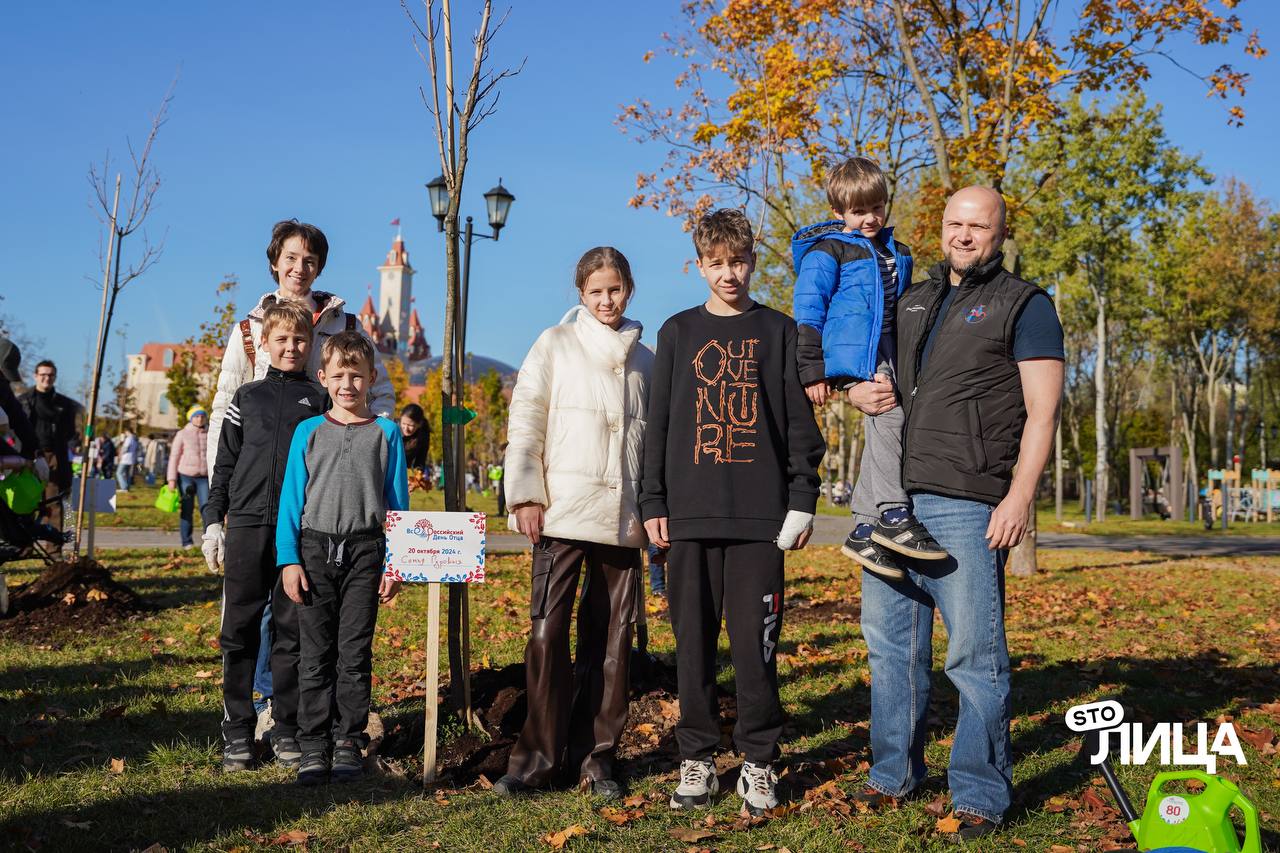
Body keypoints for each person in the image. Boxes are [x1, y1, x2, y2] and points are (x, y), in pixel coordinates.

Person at [852, 186, 1063, 841]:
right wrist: (856, 388)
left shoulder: (1025, 304)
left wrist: (1020, 495)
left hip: (969, 501)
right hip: (895, 503)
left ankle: (978, 791)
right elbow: (869, 367)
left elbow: (1044, 410)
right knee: (890, 647)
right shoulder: (911, 297)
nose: (965, 235)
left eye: (979, 225)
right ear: (940, 227)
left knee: (976, 653)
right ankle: (892, 773)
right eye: (955, 223)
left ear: (1001, 232)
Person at [639, 209, 826, 817]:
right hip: (688, 522)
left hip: (760, 524)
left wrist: (802, 499)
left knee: (755, 649)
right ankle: (696, 757)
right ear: (699, 265)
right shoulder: (677, 333)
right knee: (691, 647)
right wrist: (653, 501)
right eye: (716, 263)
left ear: (753, 260)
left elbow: (800, 425)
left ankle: (758, 763)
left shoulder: (779, 331)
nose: (729, 273)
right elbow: (658, 425)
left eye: (739, 261)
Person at [492, 246, 654, 801]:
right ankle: (535, 758)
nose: (606, 300)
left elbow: (653, 445)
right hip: (561, 510)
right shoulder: (554, 344)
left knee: (612, 639)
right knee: (546, 632)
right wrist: (525, 494)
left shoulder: (648, 360)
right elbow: (527, 416)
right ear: (580, 294)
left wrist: (655, 510)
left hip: (622, 518)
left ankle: (597, 757)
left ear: (628, 288)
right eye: (595, 292)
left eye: (615, 289)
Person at [792, 157, 946, 579]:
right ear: (839, 212)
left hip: (895, 349)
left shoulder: (900, 252)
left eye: (877, 207)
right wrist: (814, 370)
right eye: (859, 211)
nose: (870, 218)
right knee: (887, 415)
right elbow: (809, 310)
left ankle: (862, 527)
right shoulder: (829, 252)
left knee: (889, 423)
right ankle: (893, 514)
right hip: (857, 350)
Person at [276, 331, 408, 785]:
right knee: (315, 654)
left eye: (357, 375)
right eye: (338, 375)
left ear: (372, 377)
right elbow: (292, 501)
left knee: (354, 653)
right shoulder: (307, 432)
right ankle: (313, 744)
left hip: (366, 553)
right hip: (314, 551)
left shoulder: (386, 433)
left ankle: (348, 740)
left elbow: (397, 505)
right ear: (322, 378)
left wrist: (396, 564)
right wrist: (289, 559)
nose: (347, 384)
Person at [202, 302, 327, 773]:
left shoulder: (319, 402)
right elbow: (225, 463)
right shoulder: (246, 398)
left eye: (300, 341)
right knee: (239, 629)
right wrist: (214, 517)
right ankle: (237, 727)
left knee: (291, 631)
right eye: (282, 340)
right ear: (266, 345)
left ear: (311, 346)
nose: (292, 347)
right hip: (248, 526)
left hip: (298, 532)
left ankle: (285, 725)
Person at [208, 219, 395, 476]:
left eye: (309, 260)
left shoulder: (346, 325)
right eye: (290, 258)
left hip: (326, 469)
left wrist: (366, 449)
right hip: (259, 471)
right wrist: (217, 490)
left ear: (318, 268)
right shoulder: (248, 330)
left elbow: (381, 392)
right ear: (275, 262)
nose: (299, 268)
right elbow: (224, 409)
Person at [19, 359, 80, 529]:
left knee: (54, 502)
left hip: (54, 455)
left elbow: (71, 431)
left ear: (55, 377)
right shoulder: (22, 401)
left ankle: (54, 550)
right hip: (29, 455)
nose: (47, 378)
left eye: (51, 375)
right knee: (27, 501)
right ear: (35, 376)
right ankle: (25, 545)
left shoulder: (65, 405)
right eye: (43, 374)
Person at [168, 405, 210, 549]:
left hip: (204, 477)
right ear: (191, 418)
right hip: (185, 476)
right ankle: (187, 541)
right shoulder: (182, 434)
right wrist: (171, 479)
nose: (200, 419)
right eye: (196, 416)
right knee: (187, 508)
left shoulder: (210, 432)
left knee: (207, 508)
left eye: (202, 416)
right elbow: (174, 456)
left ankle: (209, 540)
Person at [398, 403, 430, 470]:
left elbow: (420, 461)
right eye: (403, 423)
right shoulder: (393, 430)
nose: (406, 428)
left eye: (410, 425)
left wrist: (418, 473)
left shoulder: (423, 436)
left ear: (420, 424)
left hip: (403, 473)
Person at [115, 427, 141, 492]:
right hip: (131, 459)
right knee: (126, 474)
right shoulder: (135, 439)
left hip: (125, 458)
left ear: (128, 431)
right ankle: (127, 487)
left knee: (119, 473)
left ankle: (124, 487)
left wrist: (120, 454)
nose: (125, 434)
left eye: (125, 432)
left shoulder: (129, 439)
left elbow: (125, 448)